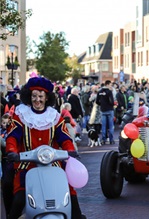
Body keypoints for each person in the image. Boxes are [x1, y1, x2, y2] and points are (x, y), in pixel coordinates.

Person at [5, 77, 85, 219]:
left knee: (69, 192)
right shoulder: (21, 115)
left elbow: (64, 138)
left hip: (52, 164)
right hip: (27, 164)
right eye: (34, 96)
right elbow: (12, 137)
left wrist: (70, 150)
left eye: (40, 96)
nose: (37, 100)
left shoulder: (54, 116)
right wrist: (12, 151)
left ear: (47, 97)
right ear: (29, 96)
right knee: (19, 197)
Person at [96, 80, 115, 144]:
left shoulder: (99, 92)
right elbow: (111, 101)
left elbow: (97, 101)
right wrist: (111, 104)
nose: (111, 86)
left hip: (103, 110)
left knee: (103, 126)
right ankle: (111, 140)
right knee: (110, 126)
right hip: (109, 109)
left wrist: (101, 104)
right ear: (107, 84)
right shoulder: (109, 92)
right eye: (110, 85)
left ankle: (104, 139)